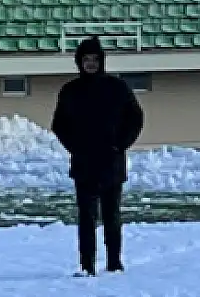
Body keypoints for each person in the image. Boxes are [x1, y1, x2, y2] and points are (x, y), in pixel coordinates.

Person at [51, 37, 144, 276]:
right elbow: (59, 125)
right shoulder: (70, 91)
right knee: (86, 218)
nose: (90, 64)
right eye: (86, 60)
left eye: (94, 59)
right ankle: (87, 265)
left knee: (112, 215)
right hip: (84, 164)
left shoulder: (117, 88)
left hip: (112, 162)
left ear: (101, 61)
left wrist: (120, 145)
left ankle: (114, 262)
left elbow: (135, 118)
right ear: (79, 62)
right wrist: (75, 147)